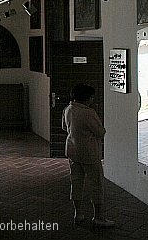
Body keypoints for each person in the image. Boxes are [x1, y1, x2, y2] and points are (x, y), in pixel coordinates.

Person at [61, 83, 114, 228]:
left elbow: (64, 128)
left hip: (72, 151)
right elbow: (100, 132)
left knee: (76, 183)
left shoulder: (68, 109)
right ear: (87, 98)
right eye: (91, 97)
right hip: (89, 153)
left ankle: (78, 214)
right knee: (96, 184)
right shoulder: (89, 113)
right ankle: (98, 217)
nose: (92, 100)